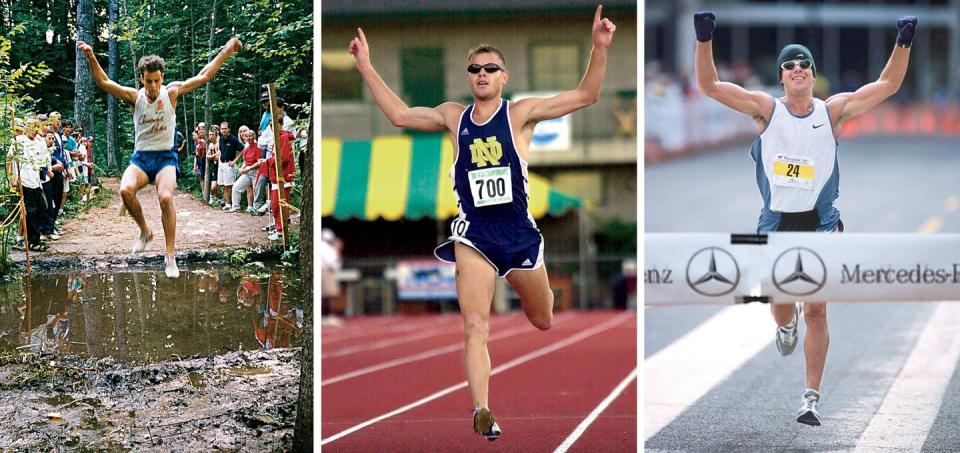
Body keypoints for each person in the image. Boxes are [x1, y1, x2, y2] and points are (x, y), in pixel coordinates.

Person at [348, 5, 615, 440]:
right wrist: (365, 65)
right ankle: (482, 408)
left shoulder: (521, 114)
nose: (482, 74)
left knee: (543, 317)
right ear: (469, 76)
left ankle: (535, 296)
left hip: (521, 235)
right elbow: (399, 115)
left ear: (503, 77)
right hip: (474, 233)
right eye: (475, 68)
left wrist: (599, 47)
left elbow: (586, 95)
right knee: (474, 324)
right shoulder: (455, 118)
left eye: (491, 68)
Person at [693, 11, 916, 426]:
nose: (798, 69)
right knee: (780, 305)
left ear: (814, 75)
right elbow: (709, 85)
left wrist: (902, 42)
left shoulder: (833, 112)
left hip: (821, 222)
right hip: (775, 223)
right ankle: (785, 322)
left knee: (818, 311)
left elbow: (888, 85)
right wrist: (704, 38)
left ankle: (810, 397)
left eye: (805, 64)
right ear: (781, 78)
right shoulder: (765, 111)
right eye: (789, 65)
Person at [78, 36, 243, 278]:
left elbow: (204, 75)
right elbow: (104, 82)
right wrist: (91, 55)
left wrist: (227, 51)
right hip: (142, 158)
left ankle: (170, 255)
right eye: (148, 82)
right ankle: (145, 232)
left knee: (165, 197)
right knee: (125, 191)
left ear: (162, 78)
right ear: (141, 80)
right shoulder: (134, 97)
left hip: (166, 158)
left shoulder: (172, 93)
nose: (153, 87)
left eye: (156, 81)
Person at [8, 118, 48, 252]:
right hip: (24, 180)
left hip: (36, 181)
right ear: (26, 127)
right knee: (30, 211)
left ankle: (34, 238)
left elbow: (42, 162)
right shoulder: (18, 141)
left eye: (36, 126)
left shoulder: (39, 142)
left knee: (41, 209)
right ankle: (33, 241)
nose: (34, 129)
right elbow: (10, 159)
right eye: (31, 126)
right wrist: (12, 178)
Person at [265, 125, 295, 241]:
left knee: (280, 205)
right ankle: (278, 228)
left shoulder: (282, 137)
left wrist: (269, 161)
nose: (273, 128)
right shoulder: (277, 137)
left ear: (281, 124)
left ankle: (281, 231)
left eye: (275, 125)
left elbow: (283, 158)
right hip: (276, 176)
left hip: (283, 176)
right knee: (275, 205)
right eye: (271, 126)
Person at [231, 128, 261, 213]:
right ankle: (235, 207)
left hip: (256, 171)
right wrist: (242, 168)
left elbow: (259, 162)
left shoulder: (257, 147)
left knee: (256, 191)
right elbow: (245, 161)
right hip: (247, 172)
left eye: (250, 136)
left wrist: (249, 168)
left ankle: (256, 208)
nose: (248, 138)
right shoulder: (246, 149)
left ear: (254, 137)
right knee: (236, 186)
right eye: (246, 136)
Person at [217, 121, 243, 210]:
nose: (224, 130)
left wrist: (235, 161)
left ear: (228, 129)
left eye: (225, 128)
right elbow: (220, 150)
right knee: (223, 185)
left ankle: (233, 204)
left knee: (229, 186)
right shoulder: (220, 139)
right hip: (221, 164)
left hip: (229, 164)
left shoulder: (233, 139)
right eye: (222, 129)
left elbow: (242, 149)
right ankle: (227, 204)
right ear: (220, 130)